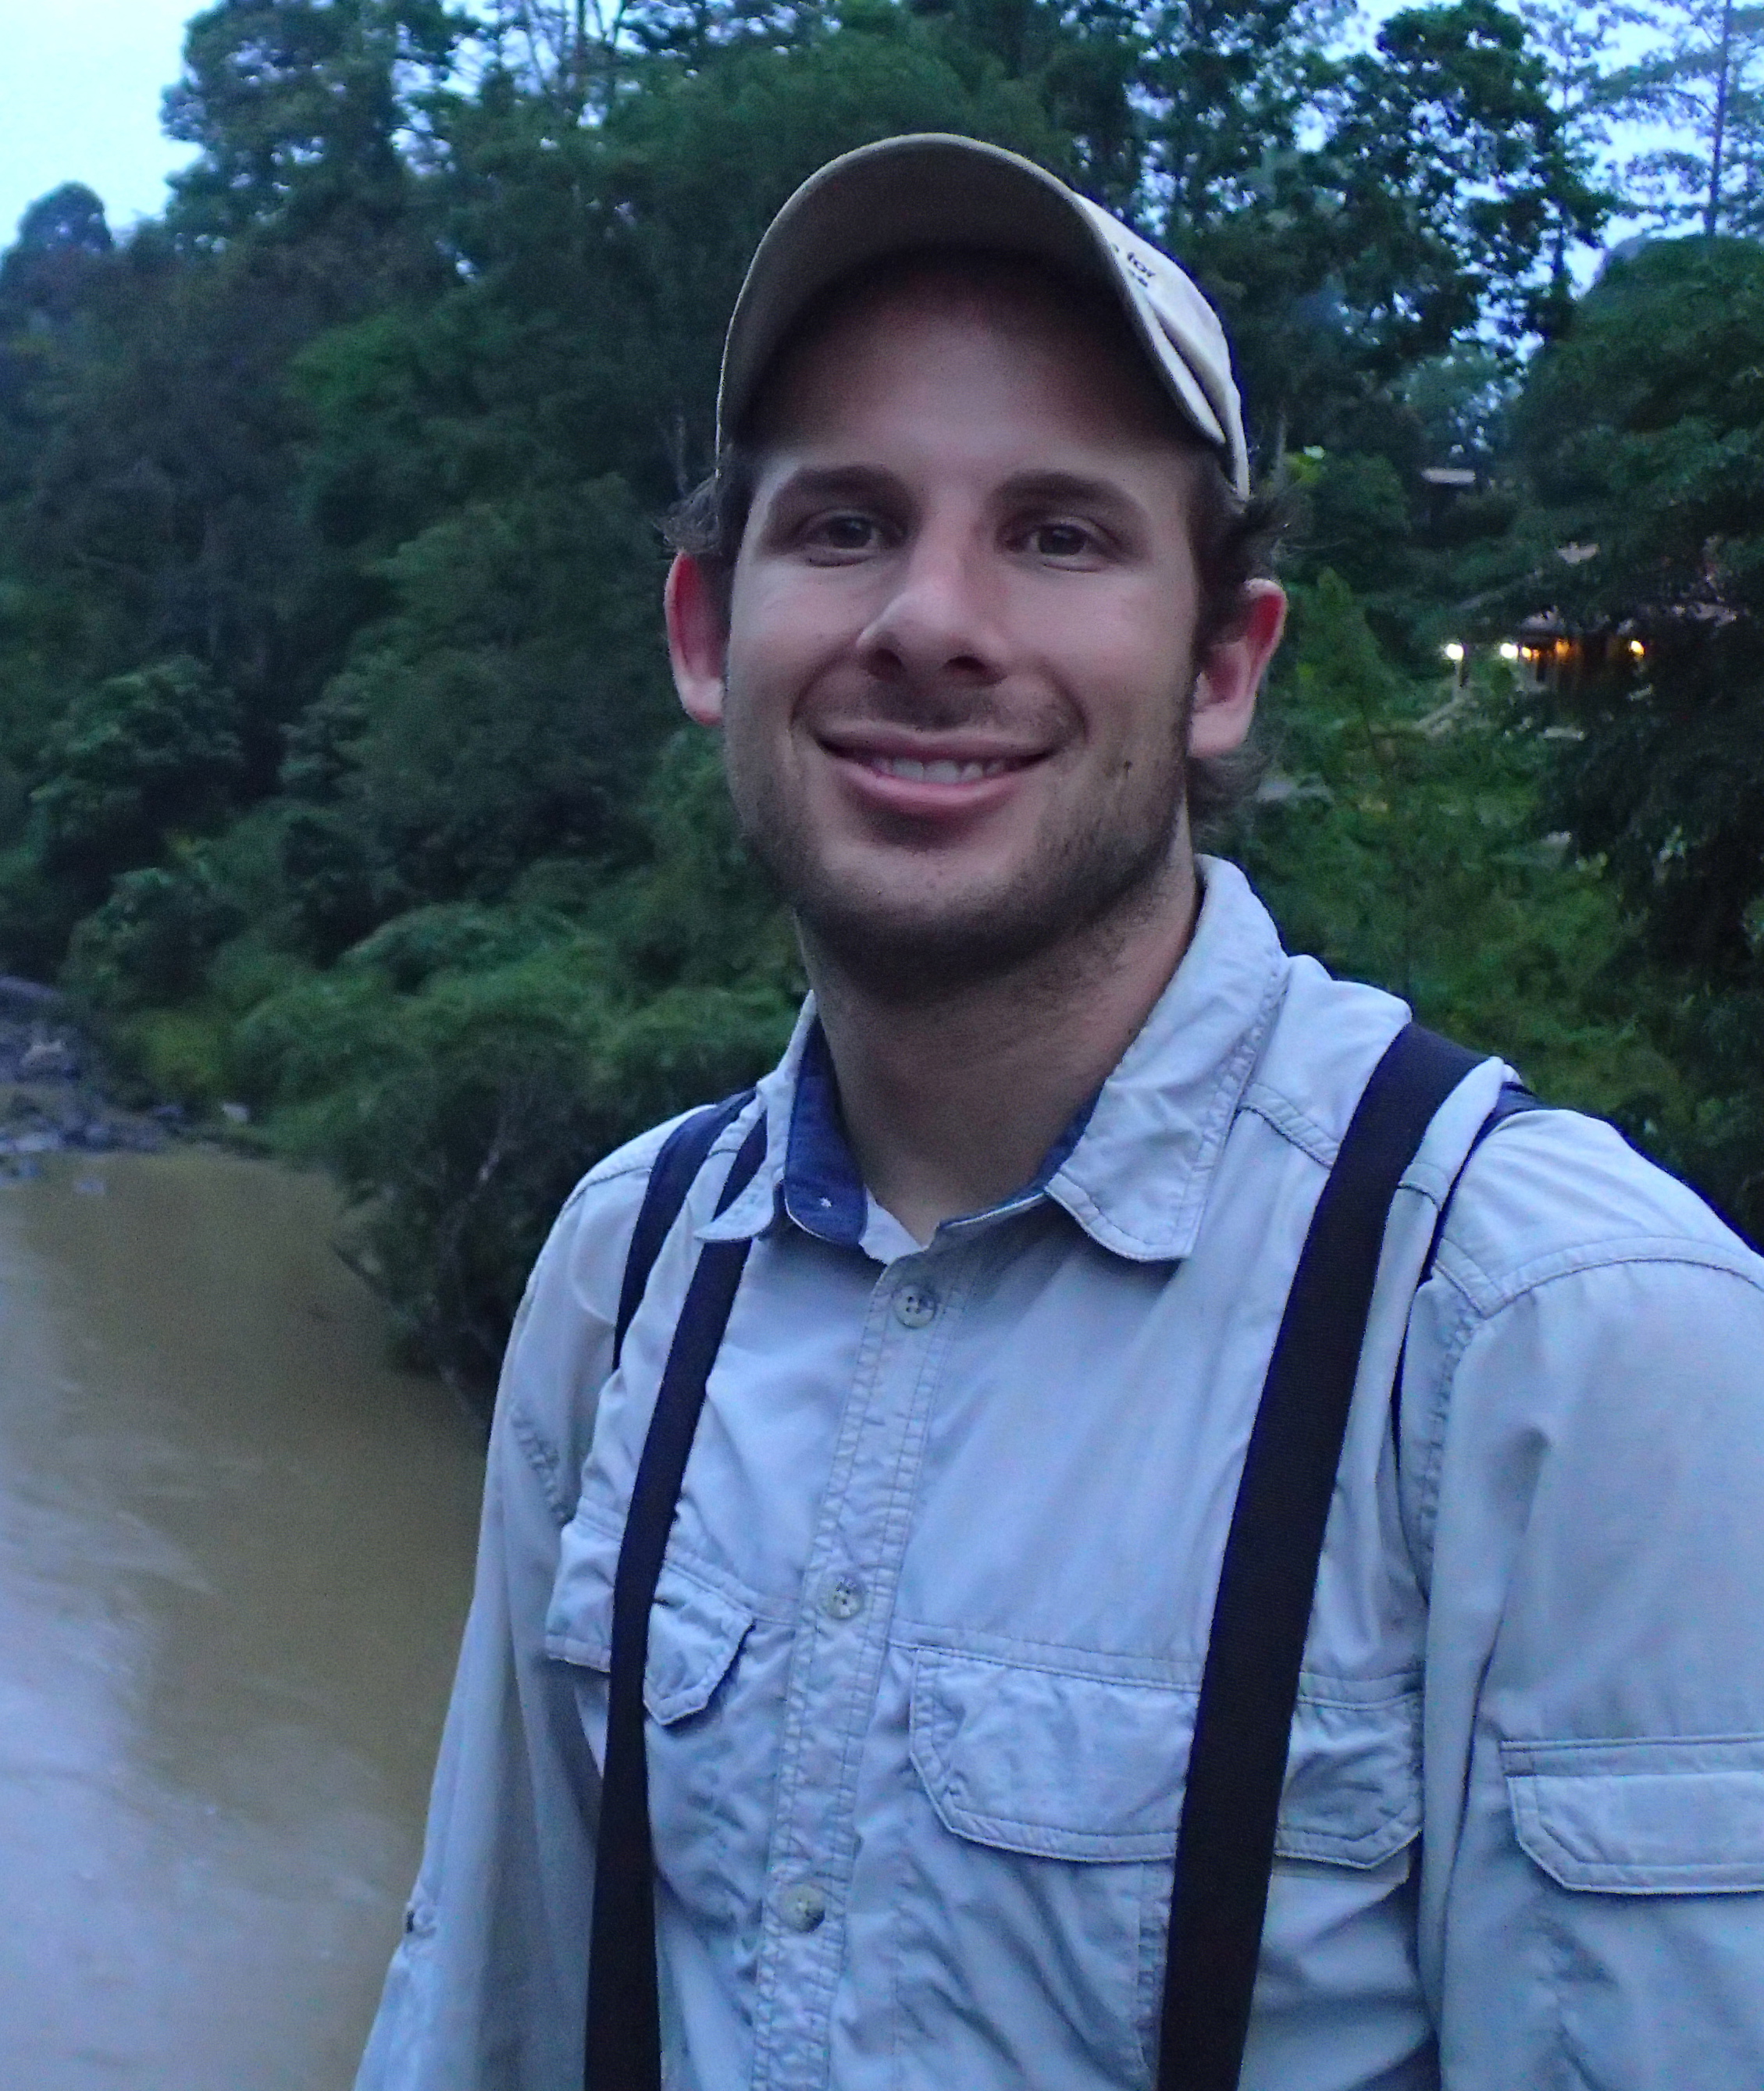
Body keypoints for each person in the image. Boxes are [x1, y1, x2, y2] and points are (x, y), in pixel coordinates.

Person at [356, 136, 1764, 2091]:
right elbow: (486, 2010)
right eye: (841, 524)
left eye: (1059, 534)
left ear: (1219, 669)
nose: (929, 622)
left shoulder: (1563, 1344)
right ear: (705, 631)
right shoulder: (627, 1272)